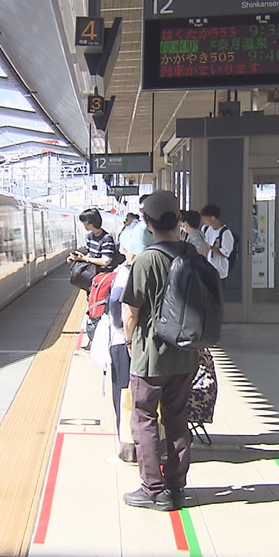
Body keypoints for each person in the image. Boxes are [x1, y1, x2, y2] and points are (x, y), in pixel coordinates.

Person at [121, 191, 197, 511]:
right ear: (179, 220)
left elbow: (130, 313)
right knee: (178, 419)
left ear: (148, 224)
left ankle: (152, 488)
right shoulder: (194, 256)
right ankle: (176, 487)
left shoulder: (147, 260)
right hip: (186, 354)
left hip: (151, 355)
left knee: (145, 419)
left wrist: (129, 344)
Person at [107, 224, 148, 463]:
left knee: (124, 394)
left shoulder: (126, 271)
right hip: (153, 342)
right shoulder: (164, 264)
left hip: (126, 341)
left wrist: (127, 335)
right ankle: (154, 447)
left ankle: (128, 449)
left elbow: (117, 307)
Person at [200, 204, 234, 280]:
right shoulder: (205, 228)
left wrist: (211, 248)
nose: (204, 221)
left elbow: (225, 253)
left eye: (205, 218)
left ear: (213, 217)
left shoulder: (225, 233)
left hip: (219, 270)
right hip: (207, 268)